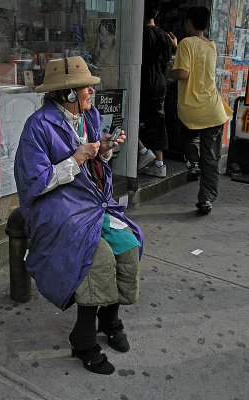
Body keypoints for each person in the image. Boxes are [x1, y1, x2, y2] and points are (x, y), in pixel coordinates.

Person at [14, 56, 143, 375]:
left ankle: (110, 320)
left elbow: (97, 164)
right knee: (96, 259)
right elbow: (33, 181)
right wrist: (74, 159)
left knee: (126, 248)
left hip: (92, 203)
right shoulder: (38, 126)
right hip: (57, 208)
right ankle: (83, 340)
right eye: (86, 86)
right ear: (66, 93)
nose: (91, 91)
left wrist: (106, 149)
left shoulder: (90, 116)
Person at [171, 6, 233, 215]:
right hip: (214, 110)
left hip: (191, 109)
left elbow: (182, 73)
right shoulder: (212, 45)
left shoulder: (186, 43)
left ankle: (193, 162)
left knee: (184, 135)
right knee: (211, 157)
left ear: (188, 22)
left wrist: (168, 70)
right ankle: (206, 199)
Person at [138, 0, 177, 177]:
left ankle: (143, 152)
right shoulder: (164, 36)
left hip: (142, 83)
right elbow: (168, 58)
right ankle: (160, 164)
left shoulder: (139, 34)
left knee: (130, 119)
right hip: (159, 84)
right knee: (157, 122)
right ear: (156, 14)